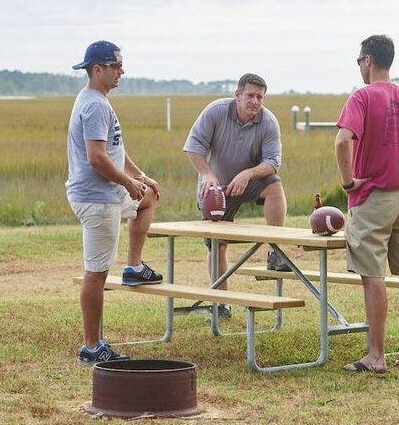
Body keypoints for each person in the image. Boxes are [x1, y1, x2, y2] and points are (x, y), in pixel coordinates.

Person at [334, 35, 399, 373]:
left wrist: (348, 183)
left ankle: (376, 355)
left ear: (367, 60)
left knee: (372, 273)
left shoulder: (361, 97)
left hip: (372, 197)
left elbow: (342, 141)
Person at [66, 40, 163, 365]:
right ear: (98, 69)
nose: (122, 71)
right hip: (97, 199)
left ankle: (134, 267)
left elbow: (114, 151)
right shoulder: (94, 105)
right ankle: (92, 348)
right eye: (116, 66)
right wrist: (127, 183)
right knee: (96, 273)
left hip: (108, 193)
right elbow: (96, 158)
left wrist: (141, 178)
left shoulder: (98, 101)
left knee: (148, 197)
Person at [183, 73, 288, 320]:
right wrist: (207, 175)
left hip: (248, 182)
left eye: (260, 97)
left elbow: (273, 162)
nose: (255, 101)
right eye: (250, 95)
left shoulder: (268, 122)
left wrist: (248, 174)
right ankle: (222, 304)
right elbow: (193, 147)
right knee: (218, 246)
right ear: (238, 94)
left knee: (274, 187)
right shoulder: (215, 111)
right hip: (216, 189)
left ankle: (276, 251)